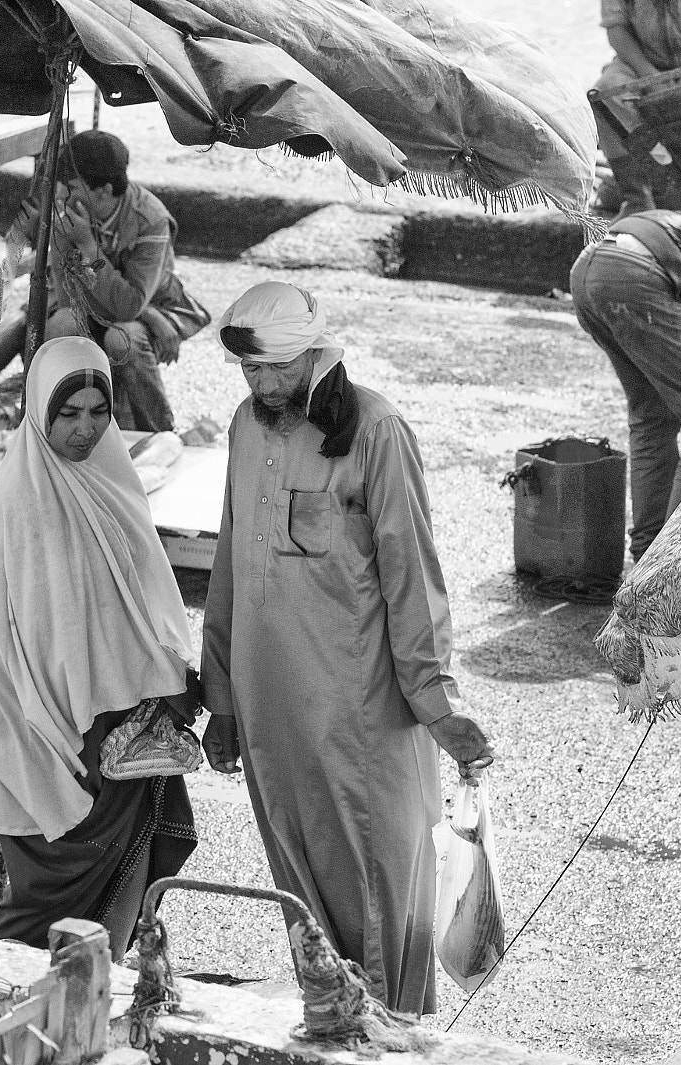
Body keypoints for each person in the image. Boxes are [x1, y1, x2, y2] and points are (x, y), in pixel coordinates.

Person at [201, 281, 495, 1014]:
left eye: (277, 369)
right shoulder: (245, 424)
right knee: (300, 899)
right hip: (273, 723)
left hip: (357, 725)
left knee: (375, 901)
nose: (265, 386)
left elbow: (413, 580)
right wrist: (222, 700)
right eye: (251, 372)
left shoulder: (376, 431)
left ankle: (387, 1040)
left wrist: (439, 704)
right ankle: (329, 1021)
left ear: (315, 355)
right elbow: (232, 565)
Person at [0, 335, 200, 960]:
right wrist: (136, 692)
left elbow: (140, 603)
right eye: (68, 414)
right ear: (39, 411)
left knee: (108, 924)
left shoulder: (113, 482)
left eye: (99, 412)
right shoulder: (26, 500)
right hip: (52, 735)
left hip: (115, 730)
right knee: (39, 926)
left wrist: (166, 673)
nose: (85, 429)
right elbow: (43, 641)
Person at [0, 130, 208, 432]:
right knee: (62, 325)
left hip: (154, 306)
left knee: (123, 340)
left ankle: (158, 430)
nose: (65, 193)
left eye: (73, 186)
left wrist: (88, 246)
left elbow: (130, 306)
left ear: (103, 191)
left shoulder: (149, 219)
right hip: (101, 306)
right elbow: (69, 298)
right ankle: (60, 420)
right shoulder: (70, 210)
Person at [570, 210, 681, 563]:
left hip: (593, 267)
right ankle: (672, 567)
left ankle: (647, 559)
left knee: (654, 419)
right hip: (636, 273)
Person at [591, 0, 681, 213]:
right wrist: (651, 76)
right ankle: (637, 198)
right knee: (606, 93)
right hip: (643, 63)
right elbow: (616, 29)